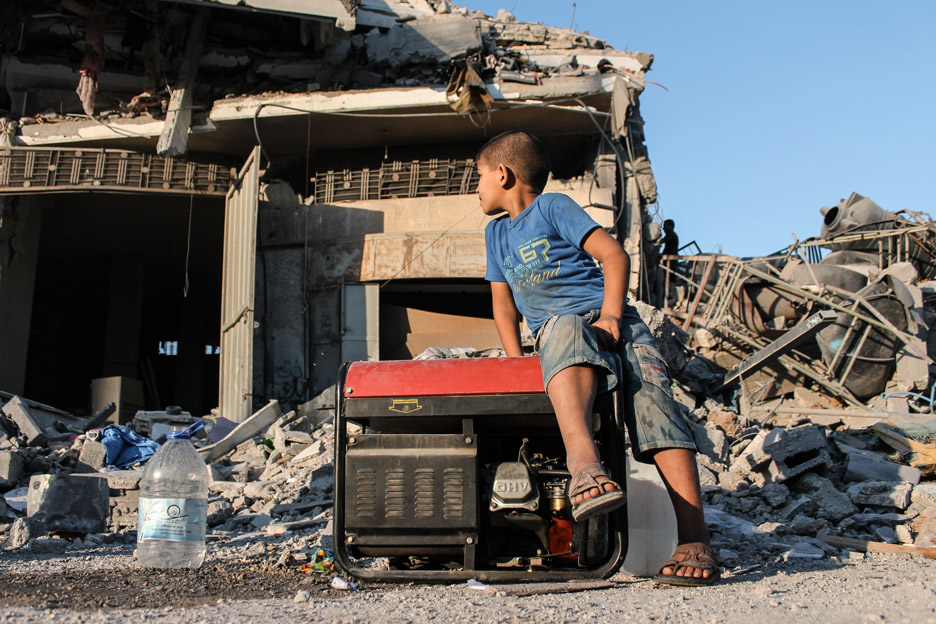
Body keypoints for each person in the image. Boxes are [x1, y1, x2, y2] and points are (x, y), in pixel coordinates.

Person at [478, 131, 717, 586]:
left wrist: (610, 315)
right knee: (564, 325)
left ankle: (694, 535)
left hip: (613, 321)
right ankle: (585, 468)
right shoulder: (495, 234)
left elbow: (612, 255)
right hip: (559, 328)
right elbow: (503, 305)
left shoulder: (553, 207)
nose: (477, 189)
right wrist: (513, 361)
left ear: (504, 175)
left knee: (654, 402)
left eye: (479, 177)